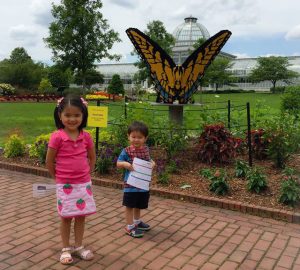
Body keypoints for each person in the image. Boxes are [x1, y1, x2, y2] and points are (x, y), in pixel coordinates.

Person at [46, 95, 96, 265]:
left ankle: (79, 246)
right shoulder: (57, 136)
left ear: (83, 116)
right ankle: (66, 248)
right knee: (66, 217)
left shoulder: (86, 136)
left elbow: (92, 157)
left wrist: (87, 173)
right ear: (60, 115)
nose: (72, 119)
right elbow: (49, 161)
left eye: (77, 115)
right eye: (68, 115)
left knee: (81, 216)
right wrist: (57, 178)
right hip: (65, 184)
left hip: (83, 184)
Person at [117, 121, 155, 238]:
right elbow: (118, 163)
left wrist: (152, 163)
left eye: (140, 137)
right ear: (128, 136)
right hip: (131, 185)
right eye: (133, 137)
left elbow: (149, 160)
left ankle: (137, 222)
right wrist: (125, 164)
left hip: (142, 185)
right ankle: (129, 227)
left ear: (145, 138)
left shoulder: (146, 150)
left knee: (138, 205)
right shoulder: (126, 151)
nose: (136, 140)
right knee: (130, 205)